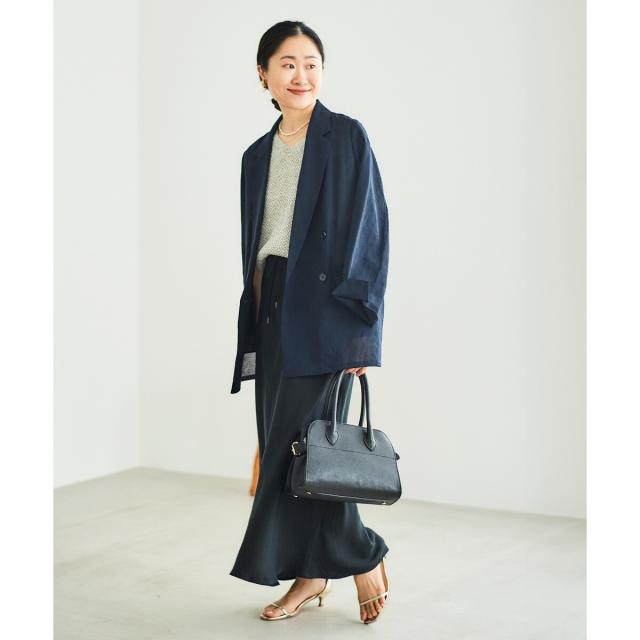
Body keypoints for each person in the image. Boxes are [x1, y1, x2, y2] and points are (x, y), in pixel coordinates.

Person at [228, 20, 391, 624]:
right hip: (271, 310)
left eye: (311, 63)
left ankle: (361, 553)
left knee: (298, 450)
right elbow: (259, 247)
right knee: (294, 452)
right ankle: (314, 574)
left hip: (325, 314)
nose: (301, 76)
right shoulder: (255, 156)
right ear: (263, 74)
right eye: (288, 64)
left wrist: (360, 332)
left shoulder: (345, 137)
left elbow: (370, 236)